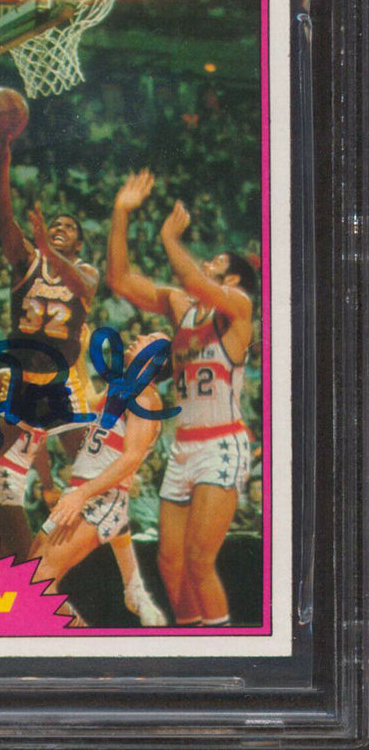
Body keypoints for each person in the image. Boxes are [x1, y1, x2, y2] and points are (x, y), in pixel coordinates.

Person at [107, 169, 255, 627]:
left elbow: (193, 279)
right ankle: (192, 641)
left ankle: (221, 650)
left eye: (216, 260)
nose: (206, 261)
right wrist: (120, 213)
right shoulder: (181, 307)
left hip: (221, 444)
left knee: (198, 560)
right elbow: (119, 279)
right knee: (170, 563)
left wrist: (170, 238)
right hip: (184, 445)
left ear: (232, 277)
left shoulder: (238, 308)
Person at [0, 128, 98, 536]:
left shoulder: (85, 273)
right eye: (55, 224)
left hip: (63, 388)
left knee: (94, 481)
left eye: (69, 227)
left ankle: (96, 562)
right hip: (20, 382)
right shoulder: (27, 259)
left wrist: (48, 247)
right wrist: (4, 162)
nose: (60, 227)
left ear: (79, 243)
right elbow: (3, 218)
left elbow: (82, 286)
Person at [32, 334, 167, 627]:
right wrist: (79, 354)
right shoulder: (120, 388)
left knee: (37, 580)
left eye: (150, 339)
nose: (139, 337)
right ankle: (133, 589)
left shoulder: (145, 398)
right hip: (81, 490)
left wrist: (82, 495)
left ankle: (83, 641)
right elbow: (87, 402)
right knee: (29, 573)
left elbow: (132, 458)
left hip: (99, 496)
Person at [0, 422, 61, 561]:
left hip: (13, 476)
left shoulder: (44, 416)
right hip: (0, 475)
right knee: (24, 556)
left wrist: (48, 487)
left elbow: (39, 450)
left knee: (1, 553)